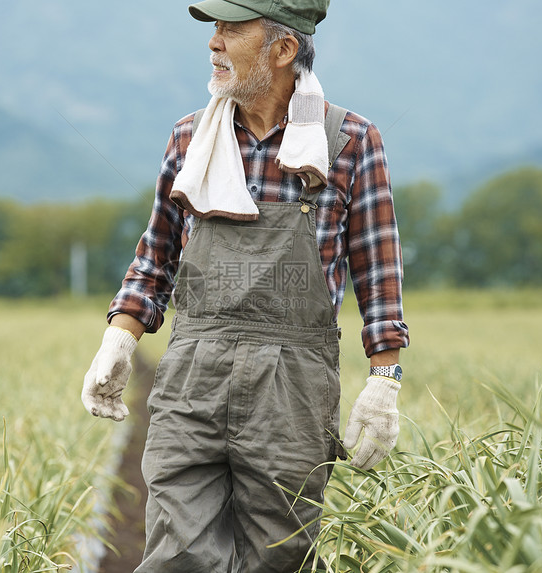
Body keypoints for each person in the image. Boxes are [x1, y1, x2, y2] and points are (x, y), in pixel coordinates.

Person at [81, 0, 410, 570]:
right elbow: (156, 254)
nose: (214, 44)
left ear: (282, 50)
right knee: (177, 556)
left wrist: (386, 381)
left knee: (277, 557)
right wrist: (120, 338)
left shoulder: (349, 142)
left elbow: (377, 274)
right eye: (214, 29)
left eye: (231, 30)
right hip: (192, 379)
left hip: (291, 389)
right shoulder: (190, 139)